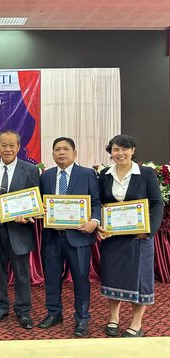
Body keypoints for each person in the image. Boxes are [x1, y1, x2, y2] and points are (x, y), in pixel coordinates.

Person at [98, 135, 163, 337]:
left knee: (139, 279)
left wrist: (148, 230)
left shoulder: (145, 173)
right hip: (113, 238)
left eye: (125, 149)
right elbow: (99, 203)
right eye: (116, 149)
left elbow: (157, 203)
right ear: (111, 152)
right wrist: (100, 224)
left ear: (133, 150)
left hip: (139, 237)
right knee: (113, 276)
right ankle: (114, 318)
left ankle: (136, 323)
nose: (120, 153)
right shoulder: (104, 175)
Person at [38, 137, 101, 337]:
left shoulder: (87, 174)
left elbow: (97, 203)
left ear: (75, 153)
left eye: (66, 149)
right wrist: (40, 209)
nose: (61, 153)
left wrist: (95, 222)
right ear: (52, 154)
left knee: (81, 279)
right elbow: (39, 203)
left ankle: (82, 318)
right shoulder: (46, 176)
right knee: (52, 278)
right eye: (57, 149)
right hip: (52, 237)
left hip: (79, 237)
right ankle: (54, 312)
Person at [0, 130, 39, 329]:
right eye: (3, 145)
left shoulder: (30, 170)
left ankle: (23, 311)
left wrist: (29, 214)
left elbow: (36, 200)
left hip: (18, 228)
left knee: (22, 272)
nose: (7, 149)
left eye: (12, 145)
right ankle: (0, 307)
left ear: (18, 147)